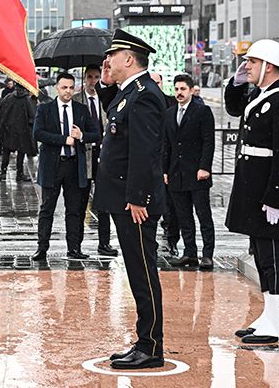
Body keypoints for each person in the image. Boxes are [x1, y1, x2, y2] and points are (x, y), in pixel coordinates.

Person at [95, 29, 166, 370]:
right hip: (124, 199)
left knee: (142, 273)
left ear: (129, 58)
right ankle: (143, 340)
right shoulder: (129, 93)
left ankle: (151, 346)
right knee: (137, 271)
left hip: (135, 204)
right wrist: (106, 81)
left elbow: (145, 152)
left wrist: (139, 197)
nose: (106, 60)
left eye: (113, 55)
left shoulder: (145, 95)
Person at [225, 39, 279, 345]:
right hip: (253, 188)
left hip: (270, 192)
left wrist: (276, 196)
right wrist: (236, 81)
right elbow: (234, 108)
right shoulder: (261, 95)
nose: (248, 67)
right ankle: (269, 315)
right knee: (261, 255)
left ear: (268, 66)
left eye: (253, 63)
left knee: (274, 256)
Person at [32, 72, 99, 261]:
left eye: (71, 87)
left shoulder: (81, 109)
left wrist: (81, 136)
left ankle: (74, 248)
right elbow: (38, 134)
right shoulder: (45, 109)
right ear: (57, 88)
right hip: (52, 166)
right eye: (64, 87)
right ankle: (42, 248)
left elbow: (96, 134)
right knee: (47, 209)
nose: (68, 91)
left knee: (74, 210)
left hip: (74, 166)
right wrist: (64, 140)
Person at [164, 74, 216, 270]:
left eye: (183, 89)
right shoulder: (169, 114)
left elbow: (208, 142)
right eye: (176, 89)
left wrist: (204, 167)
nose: (179, 93)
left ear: (191, 90)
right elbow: (166, 144)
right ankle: (190, 253)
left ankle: (208, 254)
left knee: (203, 215)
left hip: (197, 173)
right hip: (176, 174)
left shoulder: (202, 111)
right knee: (183, 216)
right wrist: (165, 170)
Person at [73, 64, 117, 257]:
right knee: (80, 202)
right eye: (89, 77)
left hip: (104, 156)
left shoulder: (106, 99)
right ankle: (76, 244)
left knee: (105, 202)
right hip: (83, 155)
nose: (93, 81)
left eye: (96, 77)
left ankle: (104, 243)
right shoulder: (77, 100)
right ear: (84, 79)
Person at [151, 72, 180, 257]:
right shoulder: (143, 102)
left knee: (171, 205)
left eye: (157, 82)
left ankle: (172, 239)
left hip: (169, 160)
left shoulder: (172, 103)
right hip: (149, 160)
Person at [0, 85, 36, 182]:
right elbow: (32, 116)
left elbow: (0, 113)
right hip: (22, 131)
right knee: (21, 153)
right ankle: (19, 173)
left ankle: (3, 172)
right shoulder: (26, 99)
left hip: (8, 130)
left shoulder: (8, 97)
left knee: (6, 151)